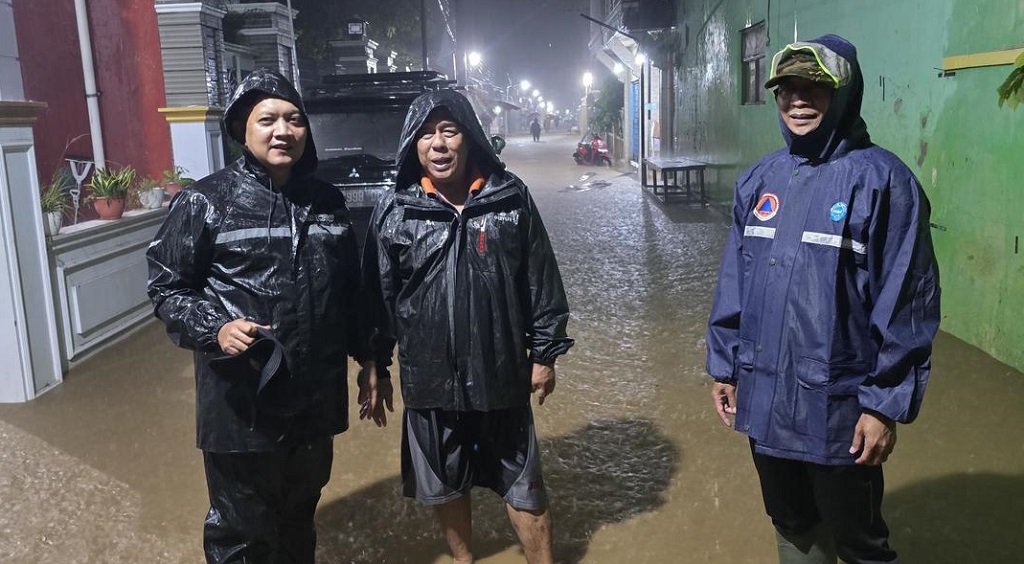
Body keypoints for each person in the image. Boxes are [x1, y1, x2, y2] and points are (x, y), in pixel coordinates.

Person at [705, 35, 940, 564]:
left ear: (845, 93)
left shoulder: (884, 183)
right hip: (765, 401)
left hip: (839, 414)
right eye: (786, 88)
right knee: (790, 523)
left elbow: (906, 305)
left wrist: (882, 407)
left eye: (815, 87)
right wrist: (725, 367)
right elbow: (734, 284)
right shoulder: (759, 181)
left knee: (860, 543)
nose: (798, 100)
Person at [147, 69, 370, 563]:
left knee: (298, 521)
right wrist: (216, 327)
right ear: (241, 130)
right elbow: (166, 287)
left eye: (294, 119)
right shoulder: (206, 201)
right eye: (267, 120)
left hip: (314, 401)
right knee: (241, 534)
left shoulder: (327, 202)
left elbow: (350, 294)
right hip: (239, 405)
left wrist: (372, 360)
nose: (282, 131)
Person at [360, 89, 574, 564]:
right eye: (426, 134)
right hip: (429, 381)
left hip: (500, 376)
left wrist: (545, 355)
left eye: (448, 131)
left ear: (469, 138)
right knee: (446, 485)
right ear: (412, 145)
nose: (437, 144)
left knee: (525, 487)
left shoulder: (510, 197)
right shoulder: (396, 210)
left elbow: (540, 281)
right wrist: (375, 363)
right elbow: (377, 298)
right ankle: (464, 560)